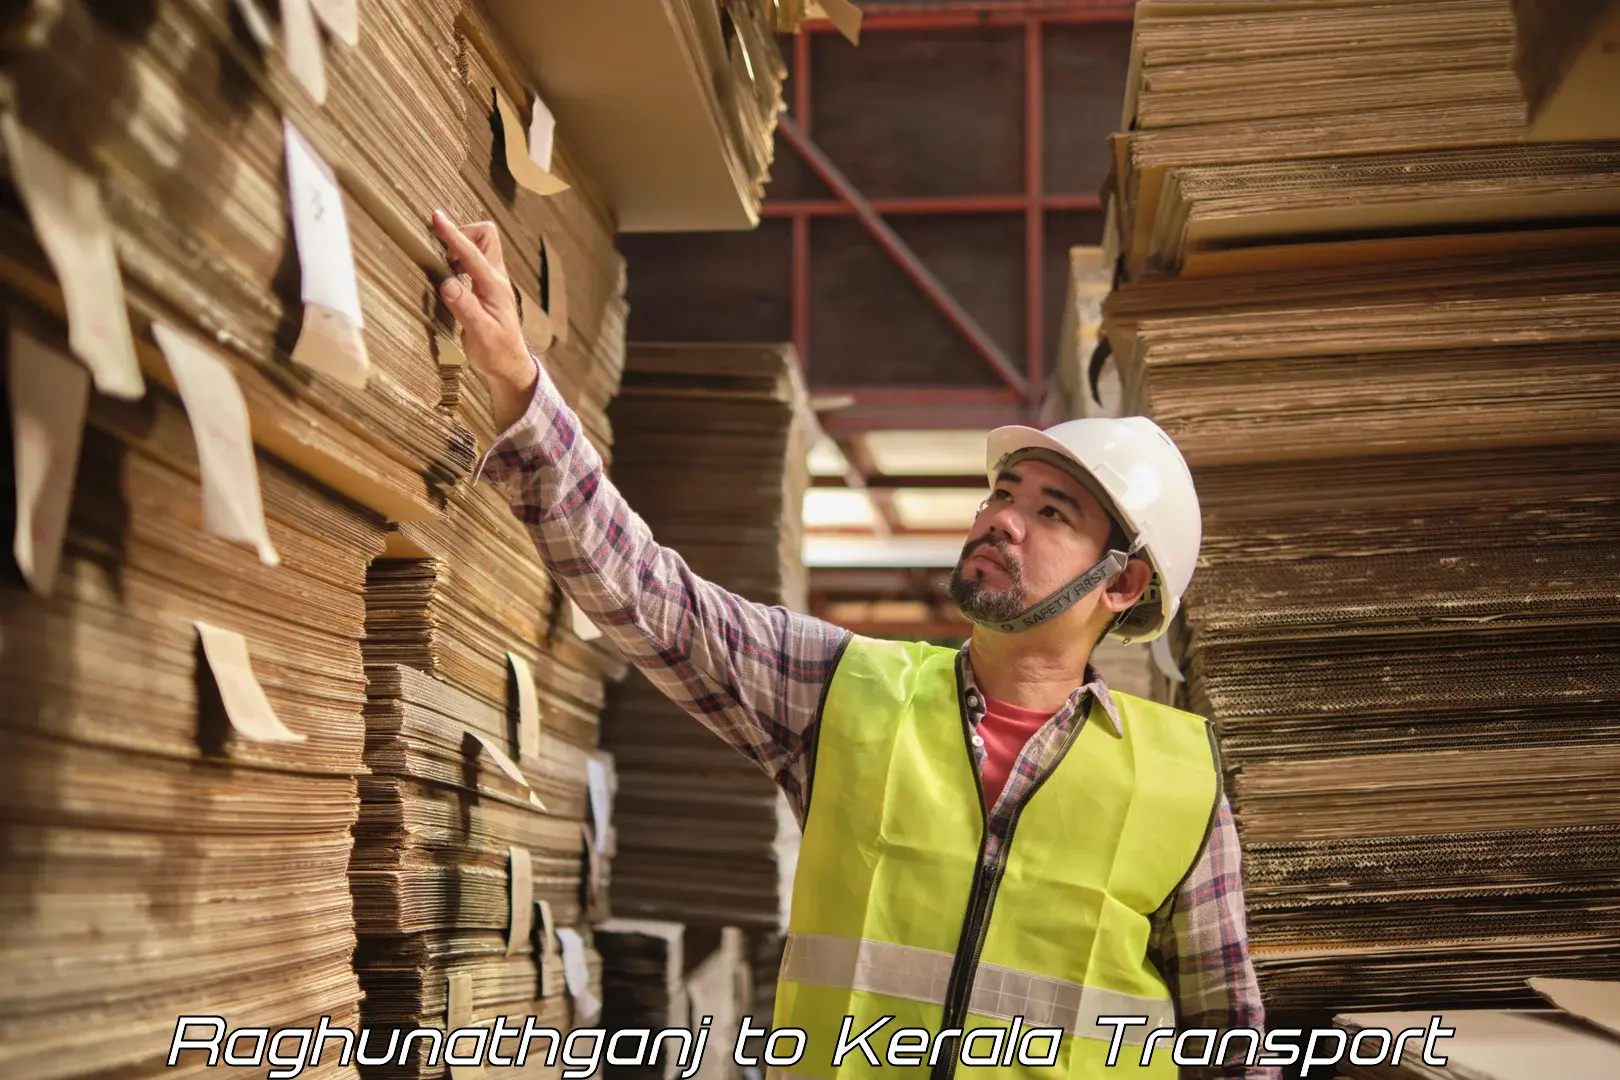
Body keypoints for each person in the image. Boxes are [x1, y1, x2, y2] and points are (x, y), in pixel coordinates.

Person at [431, 211, 1279, 1079]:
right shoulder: (848, 690)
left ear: (1123, 585)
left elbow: (1231, 1044)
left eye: (1050, 513)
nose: (1001, 520)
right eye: (1002, 494)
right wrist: (517, 383)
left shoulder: (1178, 782)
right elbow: (652, 596)